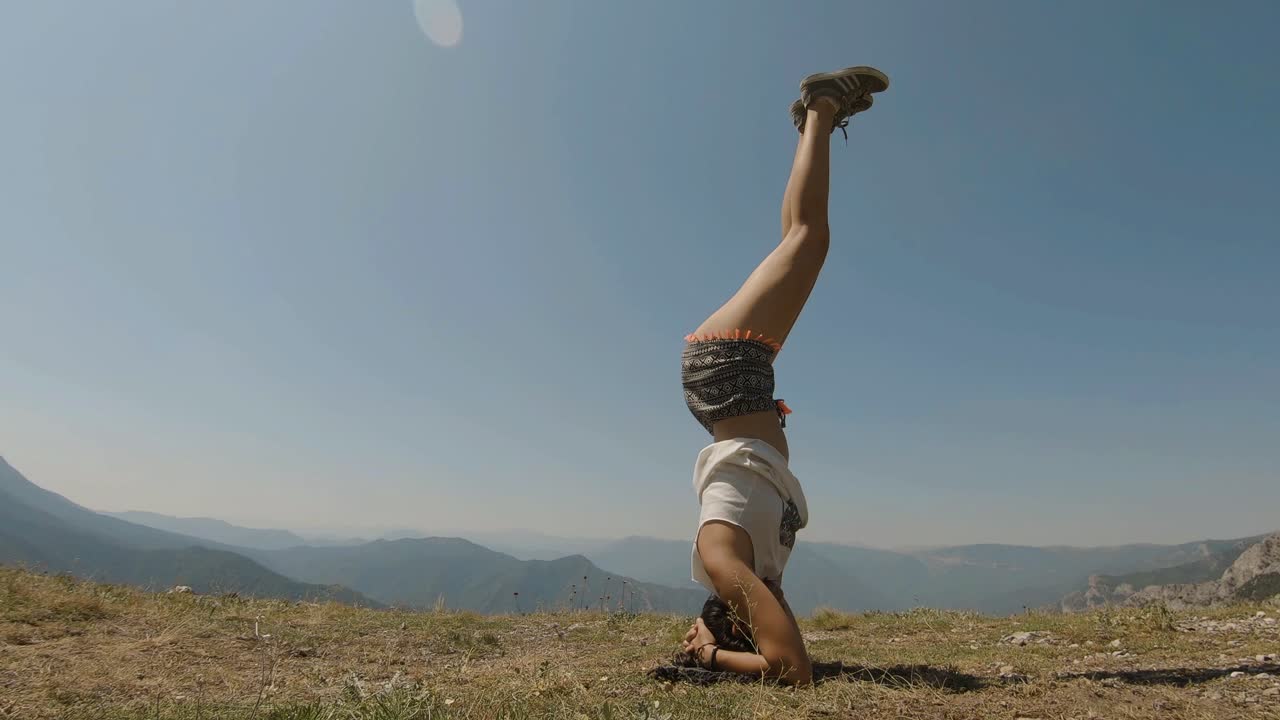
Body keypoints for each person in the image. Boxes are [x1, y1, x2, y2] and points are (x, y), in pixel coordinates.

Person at [678, 66, 889, 685]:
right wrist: (719, 649)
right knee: (795, 243)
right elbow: (787, 655)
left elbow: (790, 669)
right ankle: (814, 122)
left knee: (806, 240)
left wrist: (707, 655)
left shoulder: (723, 559)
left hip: (725, 370)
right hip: (744, 384)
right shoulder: (760, 571)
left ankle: (820, 106)